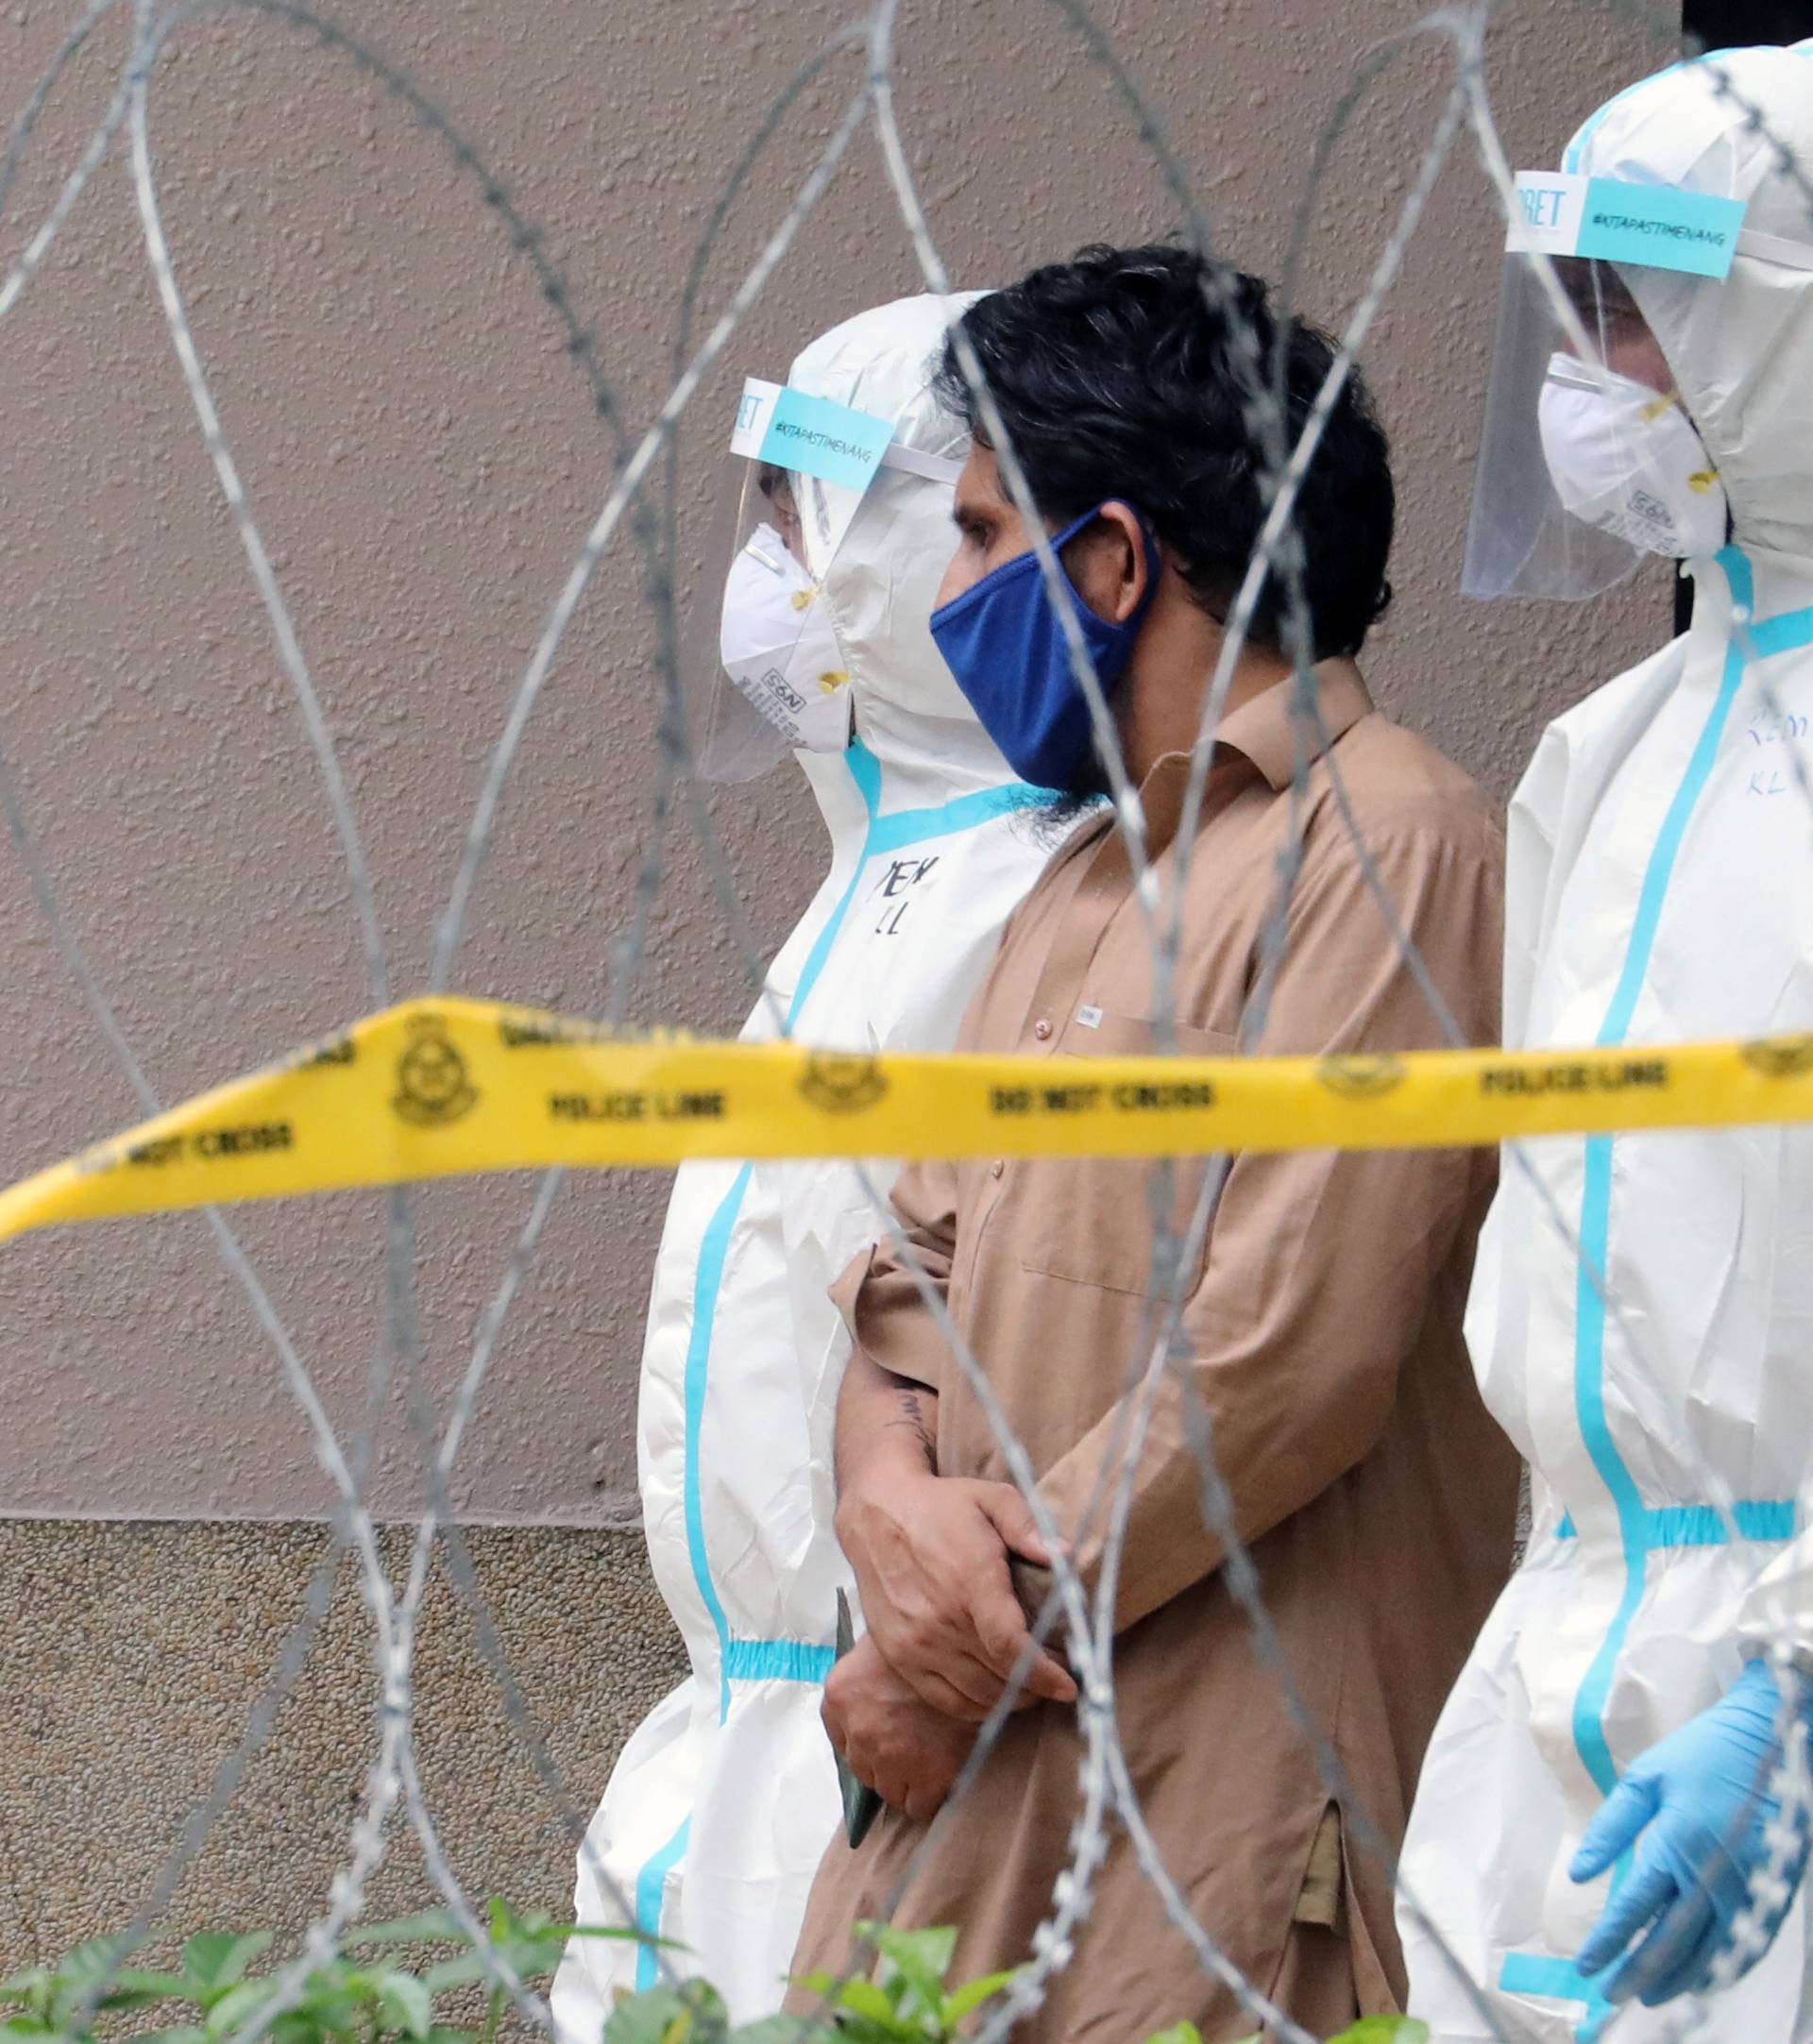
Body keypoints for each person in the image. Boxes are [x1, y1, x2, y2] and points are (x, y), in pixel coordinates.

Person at [786, 244, 1521, 2042]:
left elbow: (1287, 1354)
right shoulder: (1080, 871)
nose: (949, 591)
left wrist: (941, 1658)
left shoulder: (1395, 844)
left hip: (1219, 1802)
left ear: (1115, 559)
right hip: (962, 1789)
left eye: (977, 537)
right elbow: (911, 1284)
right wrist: (888, 1511)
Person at [550, 295, 1059, 2033]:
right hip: (739, 1731)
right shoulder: (871, 882)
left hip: (902, 1729)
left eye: (807, 513)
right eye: (760, 516)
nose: (771, 567)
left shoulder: (1045, 897)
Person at [1398, 43, 1813, 2044]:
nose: (1595, 373)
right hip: (1557, 1646)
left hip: (1779, 1687)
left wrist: (1796, 1692)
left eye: (1640, 313)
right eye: (1575, 314)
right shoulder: (1613, 749)